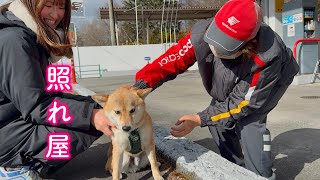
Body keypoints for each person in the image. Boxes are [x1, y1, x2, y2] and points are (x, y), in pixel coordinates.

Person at [133, 0, 299, 179]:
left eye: (224, 45)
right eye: (215, 39)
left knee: (250, 123)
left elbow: (244, 103)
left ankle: (260, 175)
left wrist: (199, 118)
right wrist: (140, 85)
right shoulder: (201, 32)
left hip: (271, 81)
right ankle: (235, 168)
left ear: (248, 43)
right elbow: (173, 59)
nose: (215, 48)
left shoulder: (268, 56)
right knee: (218, 122)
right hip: (235, 70)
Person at [0, 0, 115, 179]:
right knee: (85, 125)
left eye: (61, 7)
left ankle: (30, 162)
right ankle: (13, 168)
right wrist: (91, 115)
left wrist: (99, 104)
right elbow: (36, 106)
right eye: (48, 5)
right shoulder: (15, 40)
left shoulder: (31, 36)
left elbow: (46, 95)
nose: (55, 15)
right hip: (7, 131)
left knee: (99, 110)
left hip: (14, 122)